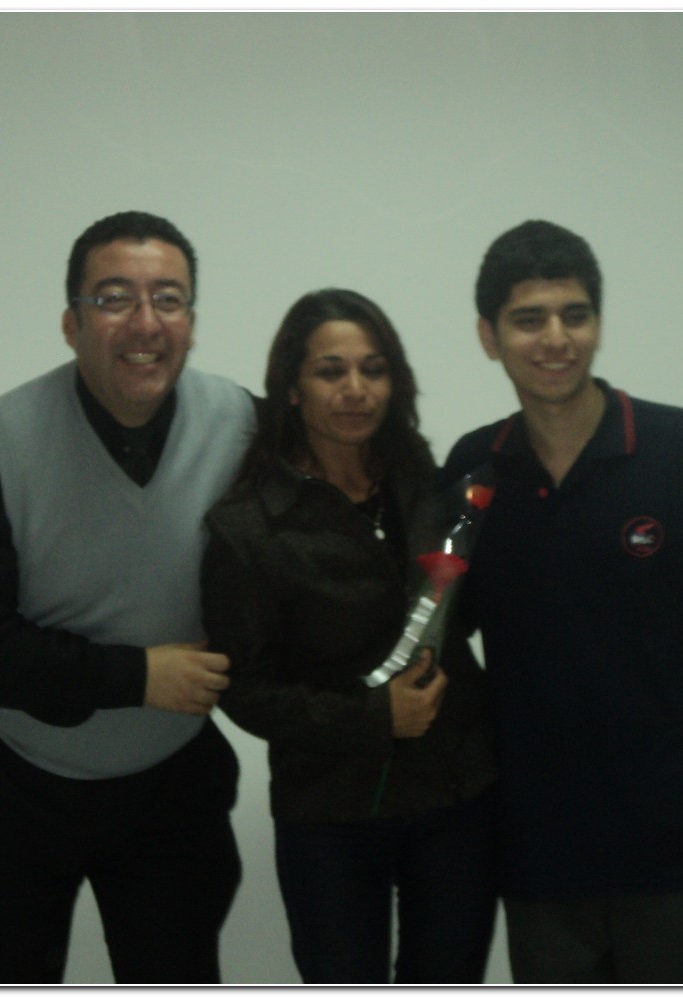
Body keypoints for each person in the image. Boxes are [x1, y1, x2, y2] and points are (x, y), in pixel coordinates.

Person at [442, 220, 683, 984]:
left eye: (574, 314)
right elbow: (439, 629)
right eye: (528, 319)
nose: (555, 339)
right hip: (540, 848)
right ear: (489, 336)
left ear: (597, 323)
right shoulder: (472, 467)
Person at [0, 210, 256, 983]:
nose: (145, 322)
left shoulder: (242, 424)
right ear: (71, 323)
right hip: (7, 783)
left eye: (168, 298)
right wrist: (135, 676)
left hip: (169, 786)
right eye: (113, 298)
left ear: (191, 321)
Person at [200, 288, 498, 984]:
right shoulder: (249, 526)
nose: (356, 389)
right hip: (330, 814)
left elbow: (461, 615)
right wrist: (373, 717)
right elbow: (243, 690)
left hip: (457, 798)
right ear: (292, 388)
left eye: (374, 369)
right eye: (331, 371)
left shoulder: (428, 485)